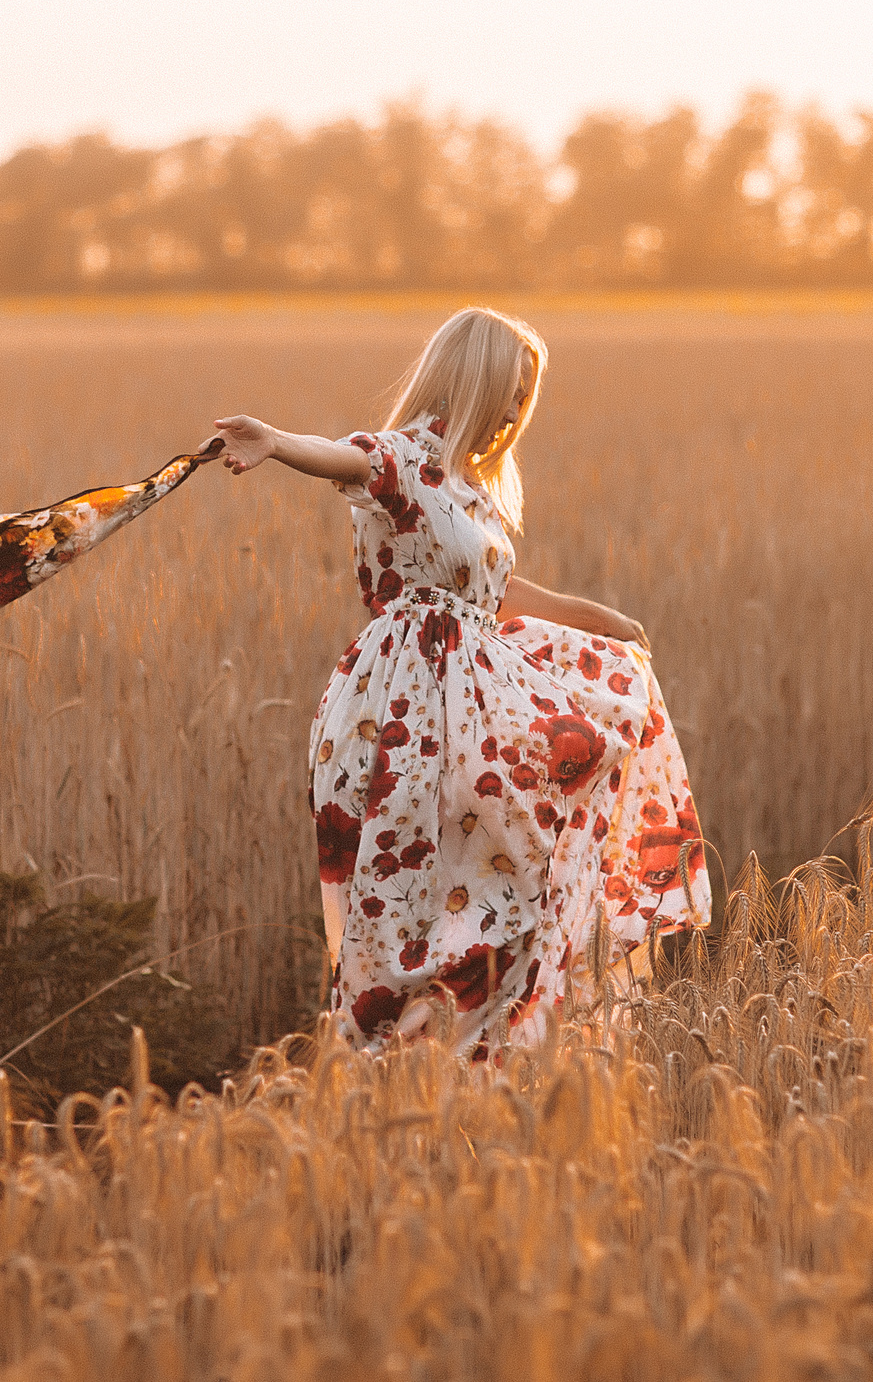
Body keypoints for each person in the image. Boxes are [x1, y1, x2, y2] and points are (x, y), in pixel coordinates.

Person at [213, 307, 710, 1056]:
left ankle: (492, 1054)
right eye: (508, 390)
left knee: (531, 854)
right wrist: (277, 443)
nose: (515, 411)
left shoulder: (474, 492)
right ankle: (406, 1054)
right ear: (469, 378)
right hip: (409, 703)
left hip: (473, 691)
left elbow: (495, 590)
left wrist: (593, 615)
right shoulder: (405, 457)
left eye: (524, 398)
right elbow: (347, 458)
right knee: (421, 893)